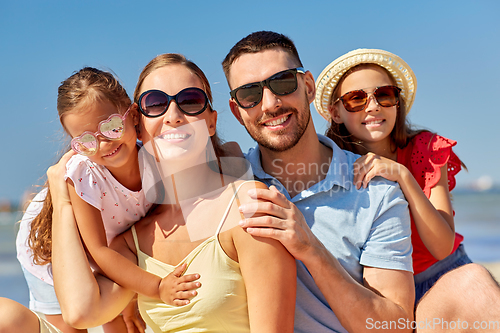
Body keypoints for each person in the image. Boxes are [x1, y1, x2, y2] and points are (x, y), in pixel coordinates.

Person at [0, 53, 296, 333]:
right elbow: (80, 310)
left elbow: (229, 157)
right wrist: (62, 198)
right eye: (155, 103)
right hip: (52, 259)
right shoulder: (133, 240)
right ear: (140, 124)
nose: (174, 114)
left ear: (212, 121)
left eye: (190, 100)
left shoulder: (248, 206)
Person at [222, 31, 414, 333]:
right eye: (250, 94)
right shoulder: (225, 184)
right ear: (237, 110)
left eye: (282, 83)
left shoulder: (378, 193)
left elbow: (396, 325)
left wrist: (311, 248)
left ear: (308, 86)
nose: (270, 104)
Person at [315, 48, 500, 331]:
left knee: (474, 281)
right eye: (356, 98)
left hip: (446, 276)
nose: (373, 106)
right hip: (385, 297)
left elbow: (441, 247)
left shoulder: (425, 149)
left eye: (384, 95)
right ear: (336, 112)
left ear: (397, 103)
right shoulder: (331, 165)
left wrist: (403, 176)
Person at [9, 67, 201, 333]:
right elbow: (98, 251)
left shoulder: (157, 160)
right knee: (69, 327)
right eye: (86, 141)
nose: (103, 144)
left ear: (133, 115)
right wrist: (155, 287)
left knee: (120, 319)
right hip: (50, 252)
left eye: (111, 127)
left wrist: (134, 294)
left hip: (111, 252)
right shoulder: (86, 176)